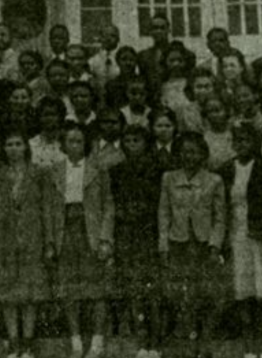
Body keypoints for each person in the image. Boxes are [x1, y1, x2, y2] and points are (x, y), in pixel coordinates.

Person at [0, 130, 55, 358]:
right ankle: (14, 343)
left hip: (33, 238)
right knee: (8, 294)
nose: (13, 149)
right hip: (3, 240)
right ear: (3, 149)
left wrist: (49, 241)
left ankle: (28, 344)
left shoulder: (39, 173)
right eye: (9, 144)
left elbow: (47, 208)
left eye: (18, 144)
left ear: (26, 147)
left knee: (30, 293)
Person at [47, 123, 115, 358]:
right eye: (70, 141)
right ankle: (75, 340)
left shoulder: (98, 169)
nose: (75, 145)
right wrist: (50, 241)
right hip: (65, 230)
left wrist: (105, 238)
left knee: (96, 287)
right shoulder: (55, 170)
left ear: (85, 144)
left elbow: (108, 205)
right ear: (63, 145)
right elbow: (49, 208)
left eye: (79, 141)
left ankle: (97, 340)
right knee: (69, 288)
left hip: (90, 231)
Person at [159, 132, 227, 357]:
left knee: (206, 294)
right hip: (178, 243)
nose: (188, 156)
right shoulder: (169, 178)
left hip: (203, 245)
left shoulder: (214, 180)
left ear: (203, 154)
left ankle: (204, 342)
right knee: (181, 295)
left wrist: (215, 246)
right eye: (184, 152)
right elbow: (164, 213)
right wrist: (163, 245)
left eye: (194, 152)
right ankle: (186, 344)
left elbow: (220, 217)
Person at [217, 122, 262, 358]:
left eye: (246, 140)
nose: (241, 144)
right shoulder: (226, 169)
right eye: (238, 140)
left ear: (254, 143)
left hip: (258, 235)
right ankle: (248, 346)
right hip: (235, 234)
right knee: (242, 290)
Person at [109, 125, 165, 357]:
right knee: (134, 288)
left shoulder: (158, 169)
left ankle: (156, 341)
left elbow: (161, 202)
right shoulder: (116, 171)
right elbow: (113, 202)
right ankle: (141, 339)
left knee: (153, 288)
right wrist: (125, 214)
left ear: (146, 143)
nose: (132, 145)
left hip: (150, 233)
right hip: (127, 235)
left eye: (137, 140)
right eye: (128, 141)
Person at [201, 94, 236, 171]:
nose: (214, 115)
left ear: (226, 111)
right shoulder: (204, 139)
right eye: (210, 111)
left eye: (217, 110)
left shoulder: (236, 132)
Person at [29, 96, 67, 168]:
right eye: (46, 115)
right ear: (39, 117)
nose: (49, 118)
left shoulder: (67, 143)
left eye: (53, 114)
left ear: (60, 117)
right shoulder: (31, 144)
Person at [139, 15, 172, 90]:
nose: (158, 31)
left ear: (168, 30)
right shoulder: (143, 56)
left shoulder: (177, 53)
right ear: (150, 31)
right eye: (155, 28)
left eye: (162, 28)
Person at [104, 46, 141, 112]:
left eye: (131, 60)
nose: (128, 63)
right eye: (124, 59)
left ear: (136, 61)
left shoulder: (142, 83)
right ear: (117, 61)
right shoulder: (111, 85)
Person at [88, 24, 122, 91]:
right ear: (100, 38)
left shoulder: (123, 58)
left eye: (112, 36)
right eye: (105, 35)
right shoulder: (93, 60)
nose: (108, 39)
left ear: (118, 39)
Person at [150, 107, 181, 174]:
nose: (163, 130)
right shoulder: (148, 148)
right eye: (159, 126)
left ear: (174, 127)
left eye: (168, 126)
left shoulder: (180, 148)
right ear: (152, 127)